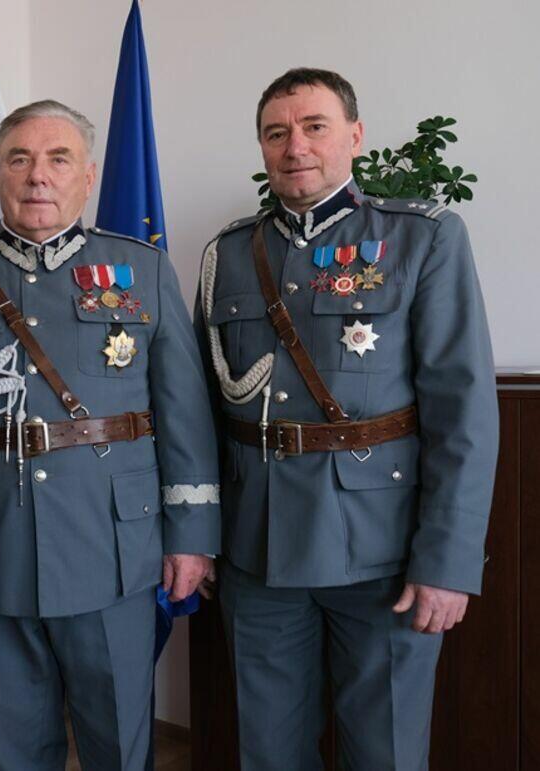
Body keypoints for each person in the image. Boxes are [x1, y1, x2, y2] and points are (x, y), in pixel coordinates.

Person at [0, 99, 220, 769]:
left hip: (112, 545)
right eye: (19, 159)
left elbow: (183, 413)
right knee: (15, 746)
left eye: (58, 159)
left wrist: (192, 535)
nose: (37, 175)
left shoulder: (142, 270)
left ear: (88, 176)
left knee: (118, 742)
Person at [195, 67, 497, 770]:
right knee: (268, 752)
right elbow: (203, 410)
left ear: (355, 136)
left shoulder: (421, 238)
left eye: (314, 127)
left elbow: (463, 415)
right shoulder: (229, 254)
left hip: (382, 550)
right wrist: (198, 536)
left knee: (384, 752)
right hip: (258, 549)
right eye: (276, 133)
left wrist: (448, 561)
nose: (295, 146)